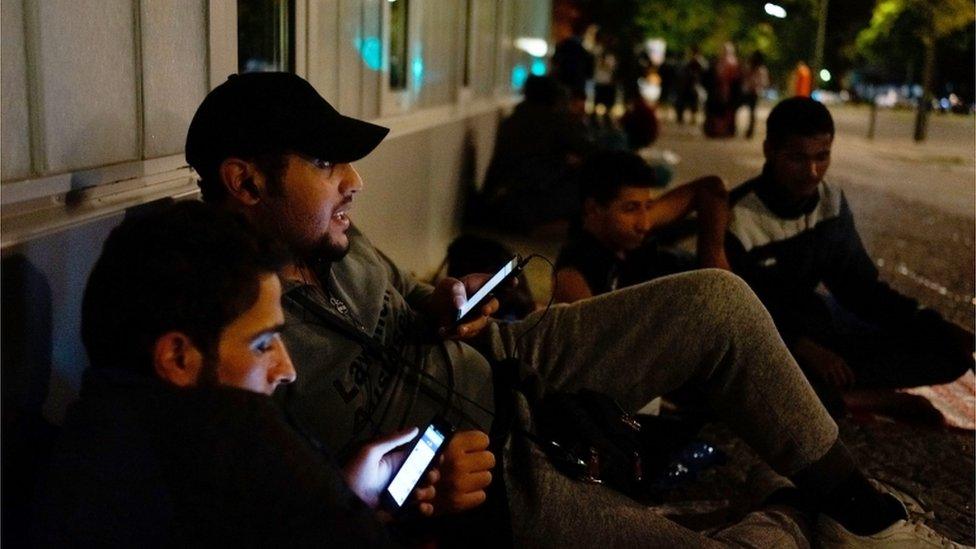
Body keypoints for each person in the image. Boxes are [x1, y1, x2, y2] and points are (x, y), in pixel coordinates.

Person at [187, 72, 965, 548]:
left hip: (506, 359)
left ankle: (864, 514)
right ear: (247, 183)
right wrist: (400, 497)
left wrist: (445, 300)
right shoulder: (226, 328)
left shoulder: (336, 241)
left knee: (716, 301)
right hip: (483, 474)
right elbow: (278, 505)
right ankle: (798, 509)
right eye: (325, 163)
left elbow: (414, 301)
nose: (353, 180)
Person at [35, 201, 437, 546]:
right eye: (262, 345)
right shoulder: (230, 440)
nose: (287, 370)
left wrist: (343, 493)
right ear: (177, 357)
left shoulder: (103, 435)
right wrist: (333, 505)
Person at [726, 97, 973, 414]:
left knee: (950, 355)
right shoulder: (738, 216)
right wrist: (801, 346)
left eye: (822, 156)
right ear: (769, 151)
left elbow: (861, 292)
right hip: (765, 345)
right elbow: (735, 317)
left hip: (818, 333)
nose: (812, 171)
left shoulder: (828, 202)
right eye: (797, 159)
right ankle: (850, 399)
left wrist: (938, 327)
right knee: (744, 381)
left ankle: (830, 394)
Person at [553, 150, 730, 303]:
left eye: (647, 206)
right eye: (631, 208)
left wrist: (714, 268)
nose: (644, 224)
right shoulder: (575, 275)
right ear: (593, 209)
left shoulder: (627, 227)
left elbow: (711, 189)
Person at [478, 75, 596, 233]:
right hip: (530, 199)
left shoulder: (513, 119)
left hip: (499, 201)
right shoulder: (553, 121)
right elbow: (590, 150)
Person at [704, 42, 742, 138]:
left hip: (728, 92)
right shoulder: (720, 63)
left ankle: (725, 130)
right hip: (719, 91)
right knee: (720, 112)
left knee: (727, 112)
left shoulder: (733, 63)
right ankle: (718, 130)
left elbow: (736, 79)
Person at [674, 45, 707, 125]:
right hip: (686, 85)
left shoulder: (700, 62)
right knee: (681, 101)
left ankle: (693, 117)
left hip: (695, 84)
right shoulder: (687, 61)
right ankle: (681, 117)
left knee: (694, 101)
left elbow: (703, 73)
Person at [741, 51, 770, 139]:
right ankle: (749, 130)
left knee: (752, 112)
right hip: (748, 91)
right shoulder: (750, 68)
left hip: (754, 92)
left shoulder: (761, 70)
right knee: (751, 111)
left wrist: (756, 86)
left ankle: (750, 130)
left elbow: (764, 82)